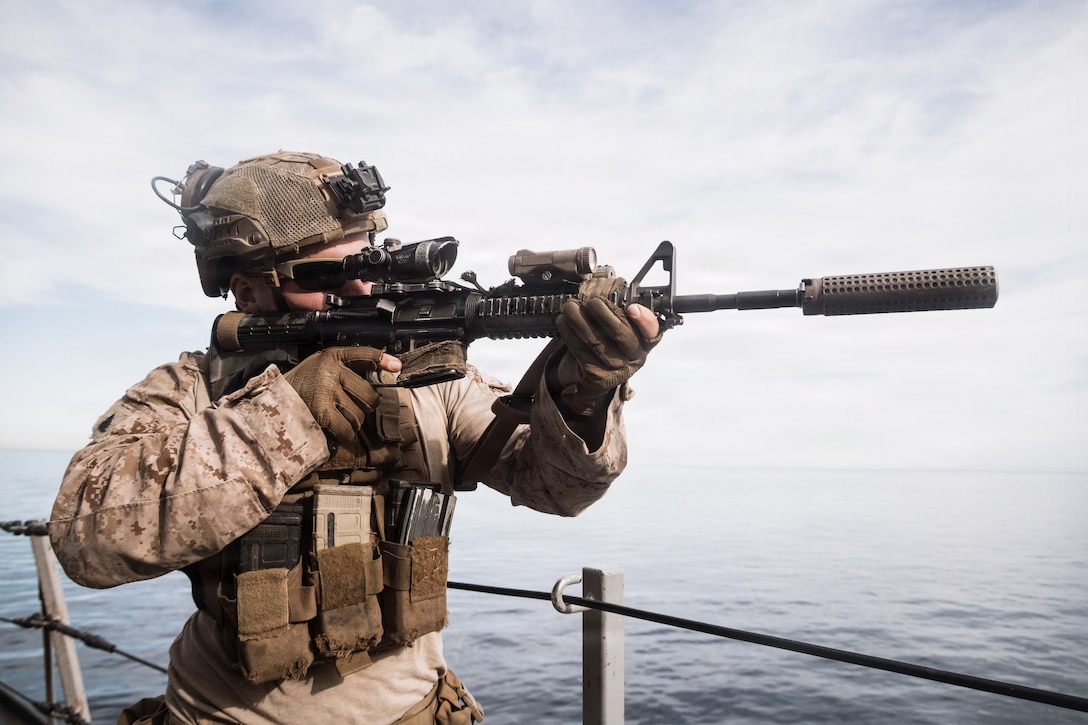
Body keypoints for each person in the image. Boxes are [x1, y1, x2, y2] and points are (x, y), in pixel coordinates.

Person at [49, 151, 661, 724]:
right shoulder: (191, 388)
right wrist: (283, 417)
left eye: (368, 261)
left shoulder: (429, 377)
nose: (362, 287)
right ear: (248, 290)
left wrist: (586, 395)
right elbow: (85, 538)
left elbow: (556, 489)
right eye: (328, 274)